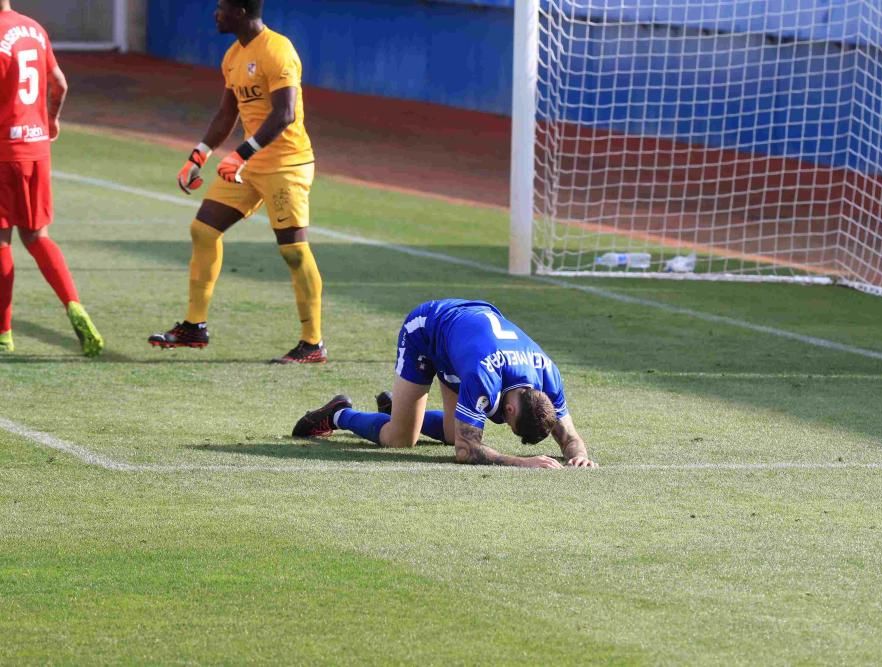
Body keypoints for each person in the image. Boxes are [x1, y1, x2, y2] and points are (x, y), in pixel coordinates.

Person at [148, 0, 326, 363]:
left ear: (241, 12)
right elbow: (227, 112)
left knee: (293, 251)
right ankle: (194, 326)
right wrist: (199, 154)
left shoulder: (278, 50)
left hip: (286, 165)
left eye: (222, 7)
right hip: (248, 164)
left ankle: (312, 343)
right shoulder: (232, 55)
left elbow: (285, 113)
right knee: (203, 230)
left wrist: (241, 153)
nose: (216, 13)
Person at [293, 299, 598, 468]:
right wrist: (520, 461)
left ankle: (399, 408)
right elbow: (466, 451)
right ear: (508, 407)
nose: (502, 422)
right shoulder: (484, 377)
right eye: (508, 421)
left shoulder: (548, 375)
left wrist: (578, 455)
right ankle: (338, 414)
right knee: (400, 439)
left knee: (454, 432)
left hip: (464, 343)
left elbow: (569, 436)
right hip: (427, 331)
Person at [0, 1, 103, 356]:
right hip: (36, 148)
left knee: (1, 241)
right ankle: (74, 304)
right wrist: (51, 120)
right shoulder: (34, 30)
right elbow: (59, 84)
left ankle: (3, 334)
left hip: (3, 152)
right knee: (37, 236)